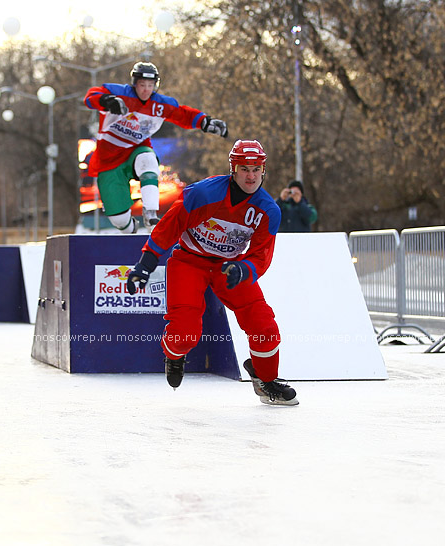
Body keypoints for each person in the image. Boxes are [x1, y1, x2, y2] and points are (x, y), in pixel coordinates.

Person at [125, 139, 298, 406]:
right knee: (185, 331)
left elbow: (262, 254)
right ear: (233, 169)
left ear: (264, 170)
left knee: (264, 326)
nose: (250, 176)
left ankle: (266, 380)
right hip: (189, 261)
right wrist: (145, 264)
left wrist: (244, 269)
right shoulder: (202, 194)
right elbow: (169, 226)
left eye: (256, 169)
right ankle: (174, 355)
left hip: (228, 267)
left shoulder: (268, 210)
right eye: (244, 169)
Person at [84, 61, 229, 233]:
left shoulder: (159, 104)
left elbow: (182, 114)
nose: (146, 90)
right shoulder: (119, 94)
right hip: (109, 158)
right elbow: (90, 97)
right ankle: (129, 228)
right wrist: (106, 101)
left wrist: (205, 121)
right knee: (119, 220)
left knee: (148, 160)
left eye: (150, 86)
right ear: (134, 84)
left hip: (135, 150)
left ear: (156, 86)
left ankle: (151, 213)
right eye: (142, 85)